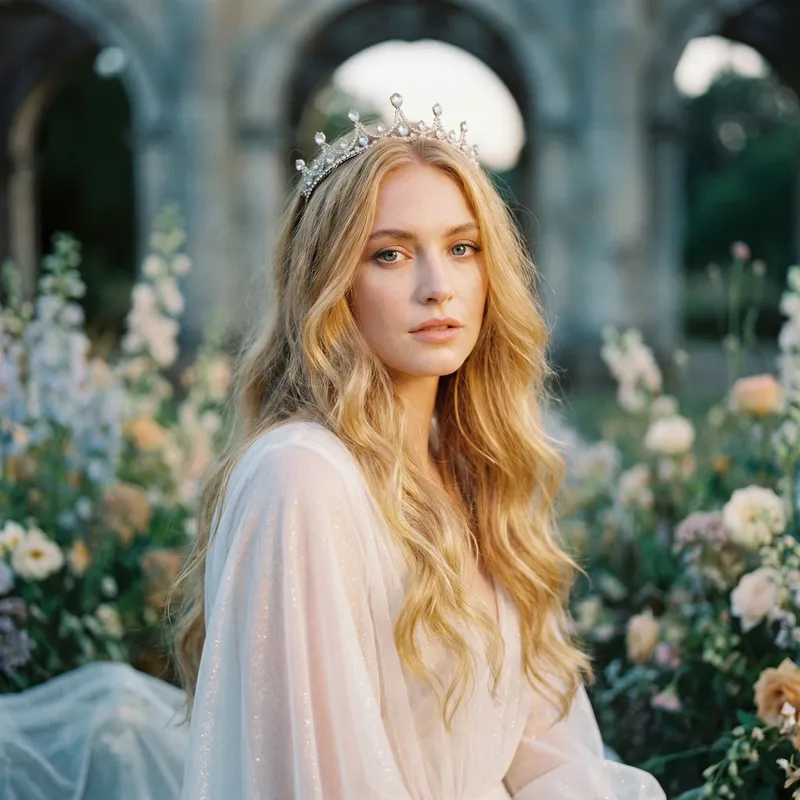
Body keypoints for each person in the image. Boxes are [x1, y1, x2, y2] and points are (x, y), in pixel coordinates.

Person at [172, 93, 666, 800]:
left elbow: (544, 750)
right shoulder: (300, 479)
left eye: (462, 249)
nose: (439, 288)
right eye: (391, 254)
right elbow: (312, 779)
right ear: (330, 281)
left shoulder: (472, 475)